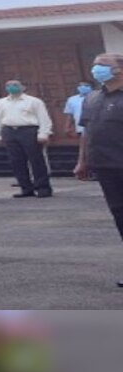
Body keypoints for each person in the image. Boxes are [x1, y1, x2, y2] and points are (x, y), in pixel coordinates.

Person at [75, 53, 123, 287]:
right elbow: (86, 133)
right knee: (120, 216)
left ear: (120, 70)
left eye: (103, 65)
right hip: (105, 166)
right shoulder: (92, 98)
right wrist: (82, 161)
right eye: (94, 64)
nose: (96, 69)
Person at [0, 79, 53, 198]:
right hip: (9, 131)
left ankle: (43, 187)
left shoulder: (34, 101)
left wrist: (43, 133)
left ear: (23, 87)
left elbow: (43, 118)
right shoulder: (1, 102)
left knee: (36, 160)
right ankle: (26, 188)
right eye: (8, 85)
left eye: (15, 85)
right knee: (17, 161)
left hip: (28, 131)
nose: (11, 87)